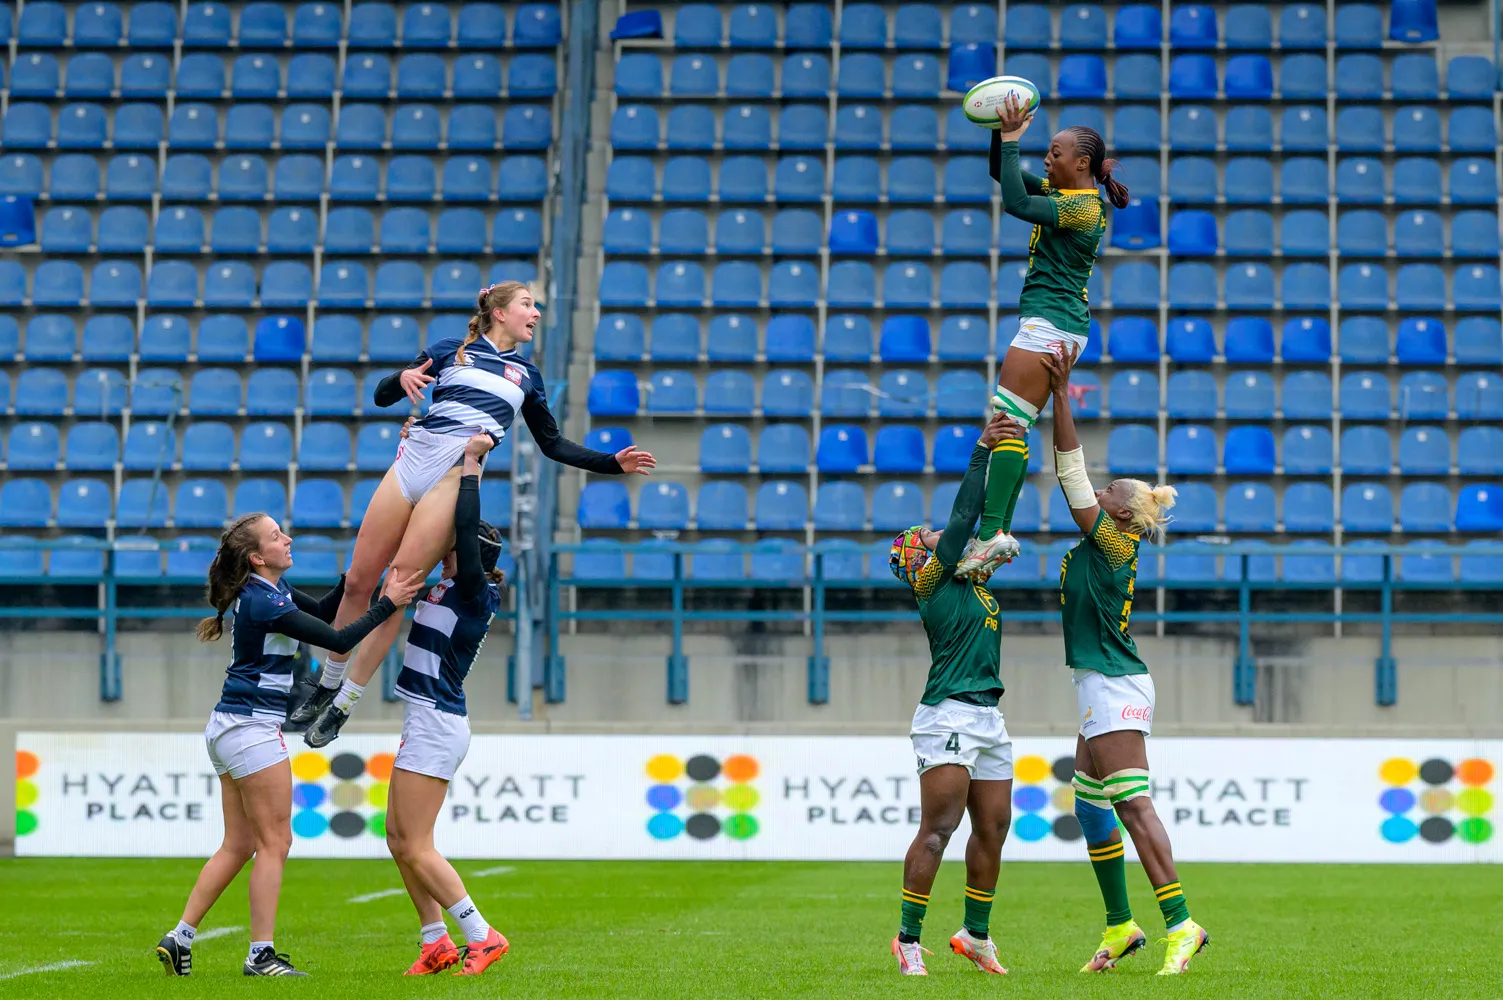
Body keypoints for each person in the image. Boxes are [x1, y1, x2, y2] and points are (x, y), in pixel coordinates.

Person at [294, 281, 655, 745]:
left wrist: (610, 463)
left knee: (396, 589)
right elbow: (384, 396)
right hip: (412, 461)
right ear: (499, 312)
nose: (536, 313)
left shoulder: (526, 376)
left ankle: (345, 703)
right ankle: (327, 684)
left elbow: (552, 444)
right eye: (527, 304)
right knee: (358, 581)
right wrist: (399, 379)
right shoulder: (449, 350)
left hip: (453, 475)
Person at [155, 514, 425, 978]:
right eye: (276, 536)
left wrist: (359, 575)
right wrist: (389, 602)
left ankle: (179, 937)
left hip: (229, 726)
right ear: (257, 557)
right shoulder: (264, 600)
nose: (288, 538)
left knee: (239, 844)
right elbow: (337, 638)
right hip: (252, 729)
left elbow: (322, 611)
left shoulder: (266, 590)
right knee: (275, 842)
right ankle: (260, 955)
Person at [1040, 345, 1210, 976]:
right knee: (1090, 805)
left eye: (1112, 488)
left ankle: (1182, 925)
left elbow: (1070, 474)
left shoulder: (1113, 541)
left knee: (1134, 807)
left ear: (1122, 511)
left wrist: (1061, 395)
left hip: (1114, 683)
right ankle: (1120, 925)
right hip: (1099, 681)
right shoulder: (1106, 542)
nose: (1101, 487)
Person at [954, 92, 1132, 581]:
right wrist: (1000, 132)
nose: (1047, 159)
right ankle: (995, 531)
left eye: (1055, 152)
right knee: (1012, 424)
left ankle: (992, 532)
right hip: (1055, 324)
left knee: (1007, 422)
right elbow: (1001, 172)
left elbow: (1015, 202)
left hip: (1051, 324)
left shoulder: (1084, 210)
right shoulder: (1065, 194)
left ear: (1081, 163)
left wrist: (1013, 139)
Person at [888, 410, 1026, 977]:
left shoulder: (972, 578)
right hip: (946, 715)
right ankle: (908, 940)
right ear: (919, 556)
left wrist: (1014, 453)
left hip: (988, 716)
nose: (939, 533)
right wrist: (981, 450)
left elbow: (994, 517)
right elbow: (966, 514)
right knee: (938, 830)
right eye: (928, 535)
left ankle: (975, 934)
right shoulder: (935, 581)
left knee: (993, 827)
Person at [385, 434, 510, 977]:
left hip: (436, 722)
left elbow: (461, 522)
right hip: (425, 717)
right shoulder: (445, 587)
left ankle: (482, 935)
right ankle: (435, 941)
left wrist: (470, 469)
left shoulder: (474, 593)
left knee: (416, 844)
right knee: (398, 840)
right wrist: (416, 453)